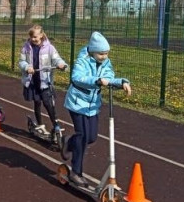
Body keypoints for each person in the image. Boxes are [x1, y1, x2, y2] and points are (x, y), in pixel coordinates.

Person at [61, 31, 132, 187]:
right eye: (101, 54)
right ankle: (76, 172)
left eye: (106, 53)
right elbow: (77, 78)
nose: (104, 56)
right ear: (92, 51)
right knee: (82, 137)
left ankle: (68, 141)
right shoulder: (83, 60)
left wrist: (122, 83)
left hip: (92, 106)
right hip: (77, 103)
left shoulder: (106, 62)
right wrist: (97, 81)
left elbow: (109, 77)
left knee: (91, 137)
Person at [19, 25, 68, 138]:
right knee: (37, 102)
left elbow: (56, 59)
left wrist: (61, 65)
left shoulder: (50, 48)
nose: (33, 39)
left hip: (45, 81)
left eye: (35, 36)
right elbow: (21, 61)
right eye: (31, 37)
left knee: (48, 103)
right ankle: (40, 124)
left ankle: (56, 125)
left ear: (41, 35)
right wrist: (27, 67)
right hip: (32, 80)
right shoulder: (26, 47)